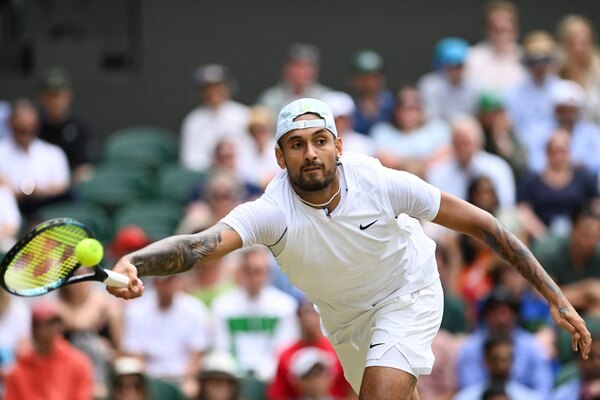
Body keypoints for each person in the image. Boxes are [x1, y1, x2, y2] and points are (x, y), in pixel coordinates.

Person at [107, 98, 590, 400]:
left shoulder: (380, 182)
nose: (310, 153)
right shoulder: (272, 210)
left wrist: (558, 299)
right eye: (296, 145)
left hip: (408, 293)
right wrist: (136, 262)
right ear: (279, 156)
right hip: (343, 319)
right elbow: (199, 246)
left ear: (338, 146)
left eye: (320, 141)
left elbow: (483, 224)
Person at [211, 246, 299, 382]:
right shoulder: (222, 305)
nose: (254, 277)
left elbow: (284, 347)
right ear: (240, 272)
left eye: (258, 271)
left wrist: (264, 370)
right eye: (249, 270)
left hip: (272, 376)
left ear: (268, 273)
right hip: (232, 377)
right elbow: (221, 347)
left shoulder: (285, 306)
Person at [3, 301, 94, 400]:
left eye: (51, 323)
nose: (45, 330)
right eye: (40, 324)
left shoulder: (78, 364)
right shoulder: (18, 372)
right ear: (33, 329)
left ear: (59, 327)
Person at [0, 99, 71, 221]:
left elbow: (62, 186)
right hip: (10, 211)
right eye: (20, 126)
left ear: (36, 125)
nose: (25, 129)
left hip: (47, 208)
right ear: (11, 123)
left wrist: (40, 191)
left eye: (29, 126)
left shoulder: (53, 153)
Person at [267, 298, 352, 400]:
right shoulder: (285, 354)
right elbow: (278, 394)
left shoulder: (339, 351)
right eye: (306, 312)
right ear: (298, 317)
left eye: (315, 312)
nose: (310, 318)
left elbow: (351, 390)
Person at [180, 64, 251, 172]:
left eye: (217, 87)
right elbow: (189, 160)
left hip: (241, 175)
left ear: (227, 88)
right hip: (206, 178)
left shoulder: (243, 115)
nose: (213, 92)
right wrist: (215, 165)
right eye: (207, 88)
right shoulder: (193, 120)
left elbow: (252, 153)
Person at [37, 66, 95, 184]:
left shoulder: (79, 125)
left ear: (68, 96)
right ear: (43, 98)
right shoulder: (35, 125)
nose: (56, 101)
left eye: (59, 95)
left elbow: (85, 166)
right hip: (41, 181)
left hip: (71, 182)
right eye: (50, 96)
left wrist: (67, 182)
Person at [453, 334, 543, 400]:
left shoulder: (530, 398)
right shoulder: (465, 397)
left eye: (505, 360)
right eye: (495, 359)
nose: (501, 366)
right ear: (486, 360)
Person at [465, 0, 527, 94]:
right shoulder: (472, 58)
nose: (500, 27)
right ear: (486, 29)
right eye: (495, 27)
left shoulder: (525, 57)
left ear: (515, 28)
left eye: (504, 28)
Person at [258, 43, 331, 118]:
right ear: (286, 69)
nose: (301, 72)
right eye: (297, 66)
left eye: (307, 67)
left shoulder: (326, 98)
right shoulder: (271, 98)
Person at [418, 37, 479, 121]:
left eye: (459, 65)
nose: (455, 71)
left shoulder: (476, 85)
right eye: (450, 66)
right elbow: (430, 117)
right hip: (438, 129)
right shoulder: (429, 85)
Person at [556, 14, 600, 126]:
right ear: (565, 43)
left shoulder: (597, 69)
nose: (579, 43)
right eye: (574, 38)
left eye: (584, 38)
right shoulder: (557, 73)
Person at [347, 49, 394, 135]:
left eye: (374, 77)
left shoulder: (393, 103)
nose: (369, 83)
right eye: (363, 78)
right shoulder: (347, 105)